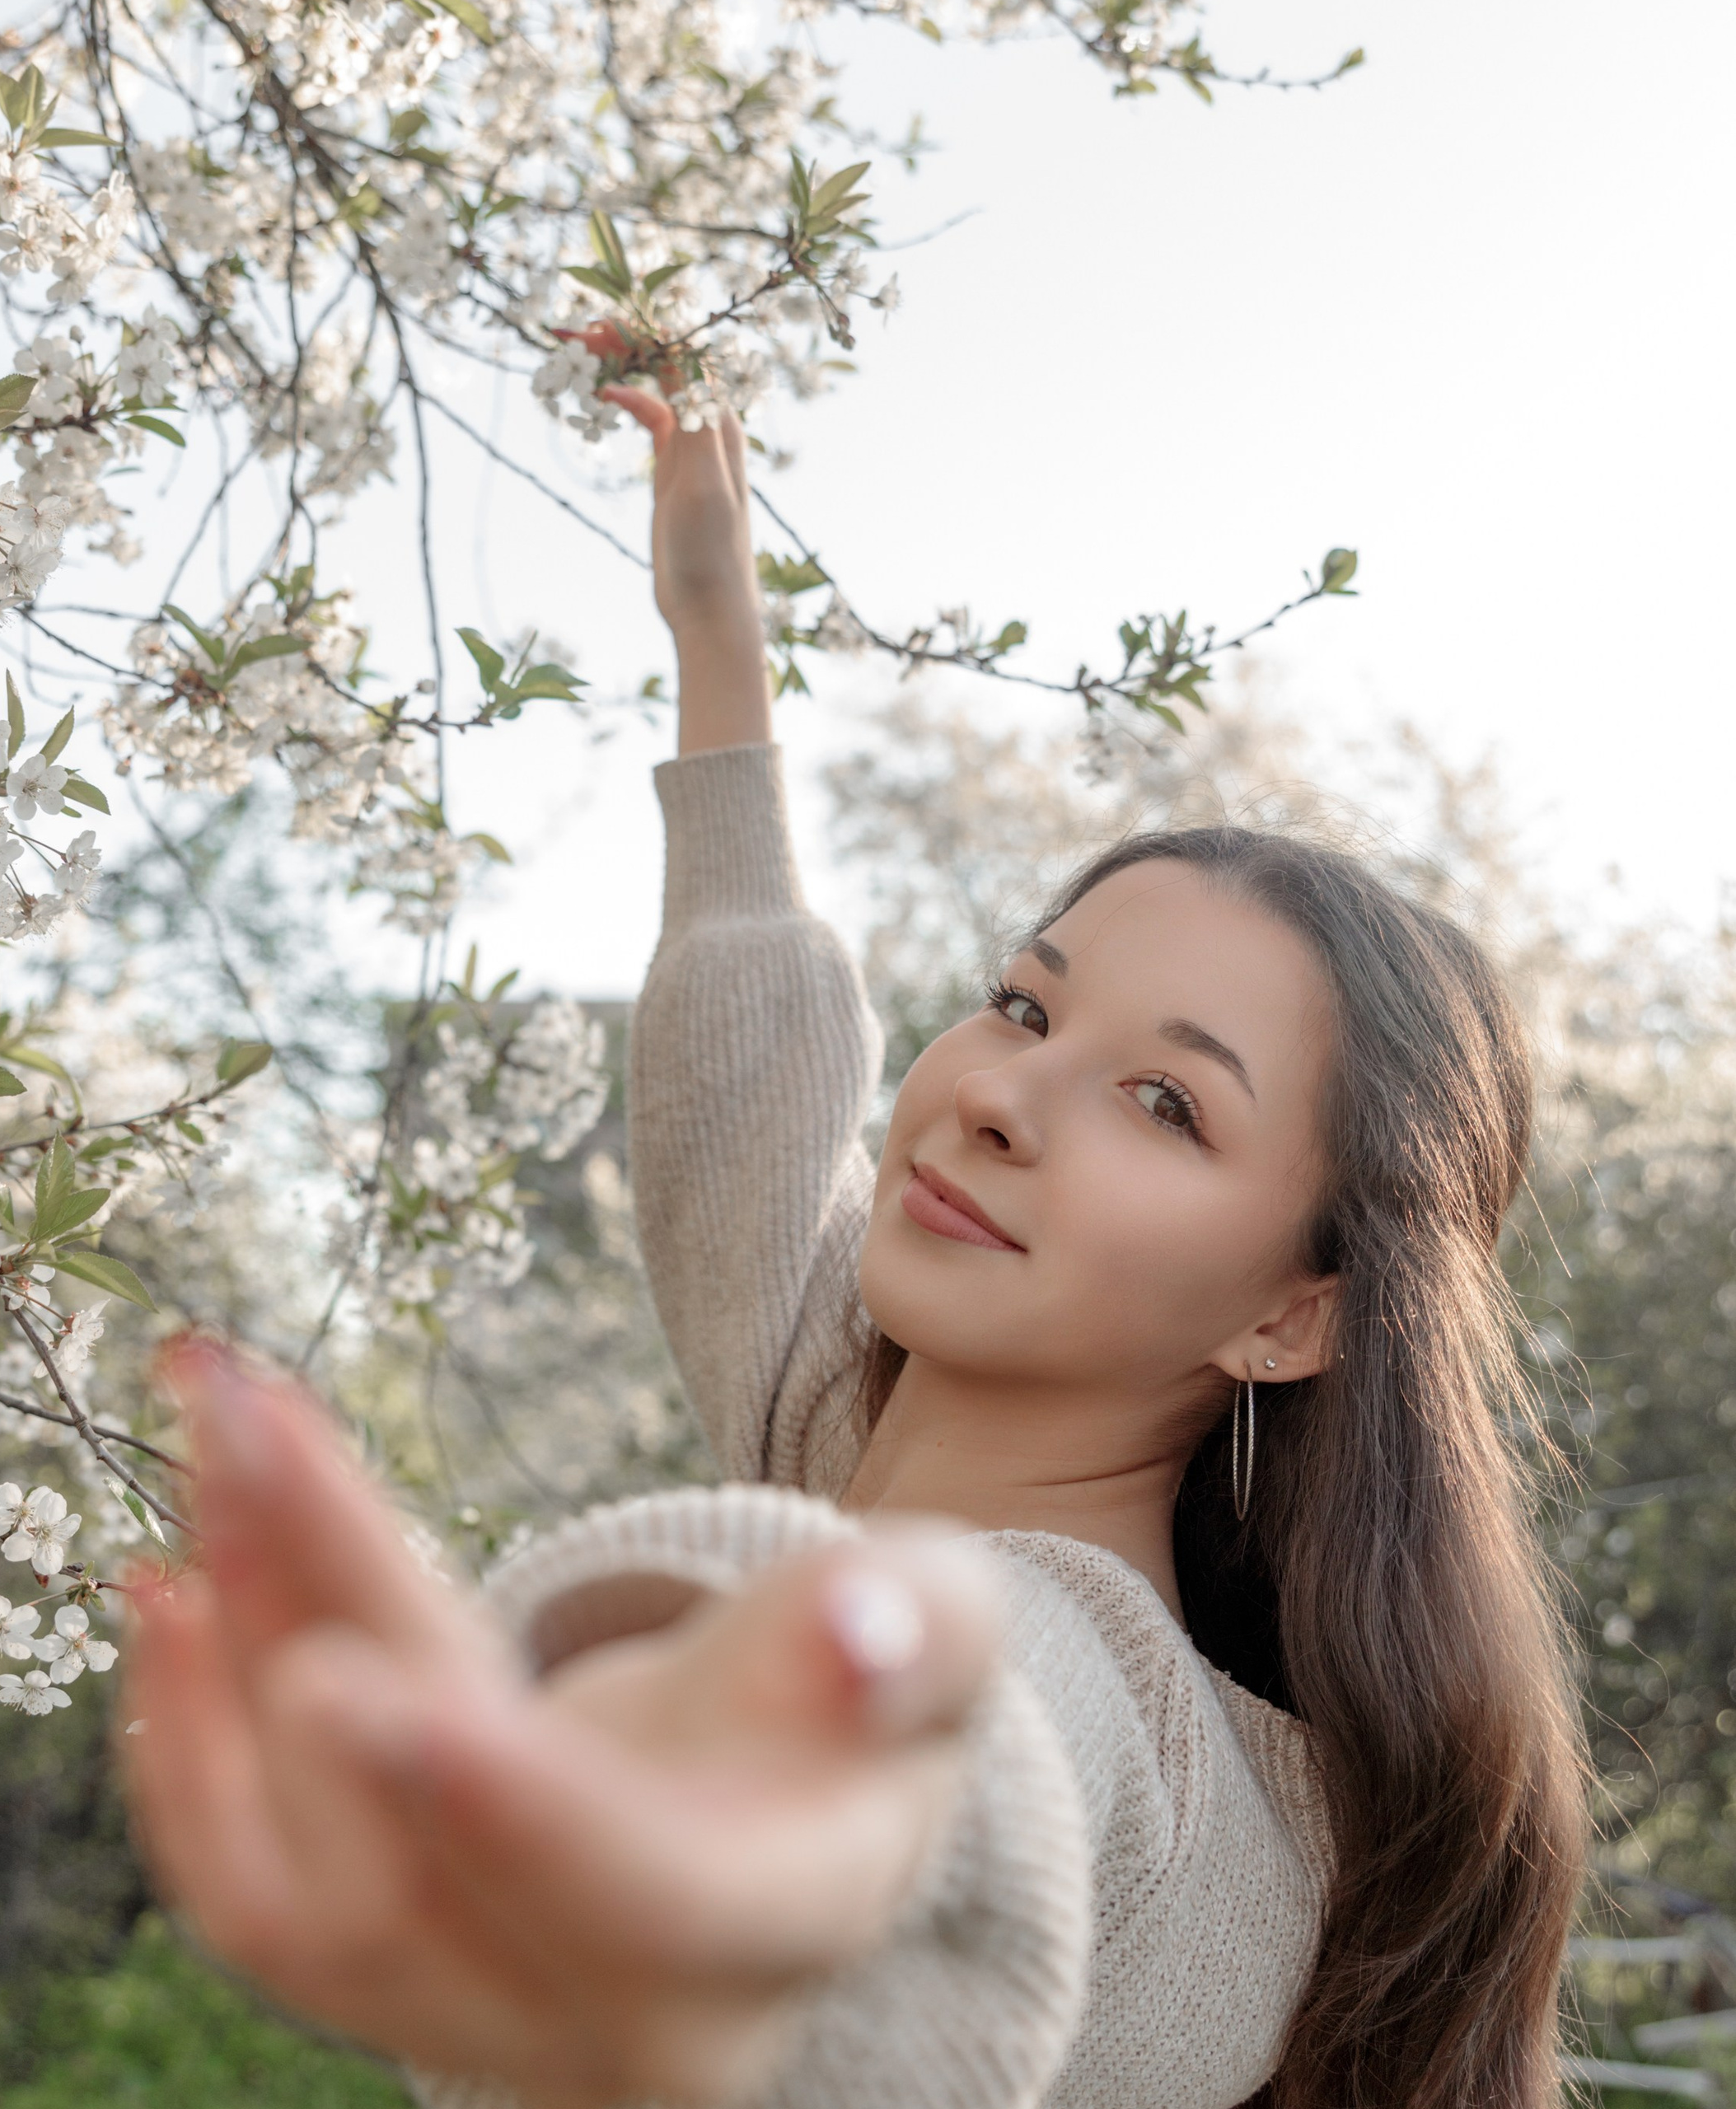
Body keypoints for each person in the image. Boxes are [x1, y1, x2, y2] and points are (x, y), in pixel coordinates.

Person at [123, 362, 1588, 2109]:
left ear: (1294, 1310)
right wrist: (716, 650)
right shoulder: (852, 1437)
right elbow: (743, 1142)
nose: (993, 1095)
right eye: (1024, 1007)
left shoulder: (1106, 1707)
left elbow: (959, 1760)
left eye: (1165, 1104)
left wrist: (690, 1875)